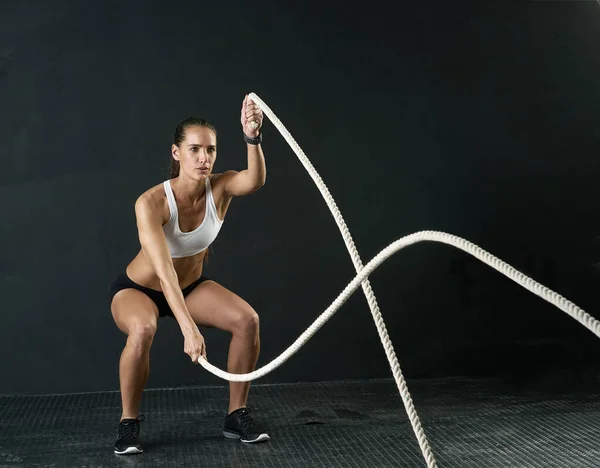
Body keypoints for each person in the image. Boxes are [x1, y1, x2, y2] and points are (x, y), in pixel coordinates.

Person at [108, 95, 269, 455]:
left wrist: (252, 137)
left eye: (210, 150)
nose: (204, 158)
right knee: (143, 329)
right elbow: (164, 275)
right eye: (194, 149)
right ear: (177, 153)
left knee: (247, 321)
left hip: (190, 286)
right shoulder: (151, 203)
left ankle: (236, 414)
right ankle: (128, 423)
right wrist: (187, 328)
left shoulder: (221, 188)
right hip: (140, 290)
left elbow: (255, 181)